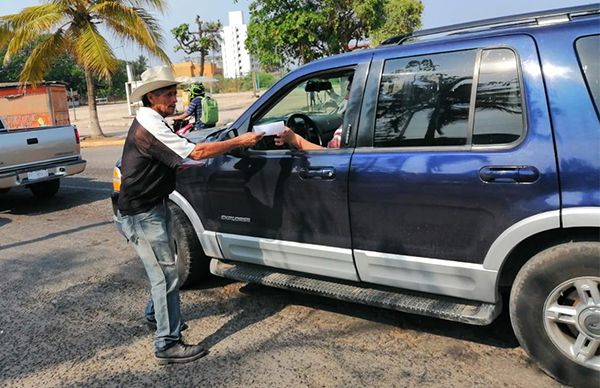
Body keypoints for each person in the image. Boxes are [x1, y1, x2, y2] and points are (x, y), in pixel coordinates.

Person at [117, 66, 263, 365]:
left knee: (164, 272)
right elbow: (195, 154)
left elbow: (180, 154)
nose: (175, 99)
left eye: (174, 93)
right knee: (166, 275)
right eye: (168, 94)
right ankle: (167, 344)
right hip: (143, 213)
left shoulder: (153, 119)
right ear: (151, 96)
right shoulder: (150, 126)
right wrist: (239, 142)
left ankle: (155, 315)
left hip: (152, 206)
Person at [275, 76, 353, 150]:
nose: (346, 97)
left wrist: (295, 139)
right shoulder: (357, 121)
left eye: (350, 91)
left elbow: (330, 156)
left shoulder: (351, 129)